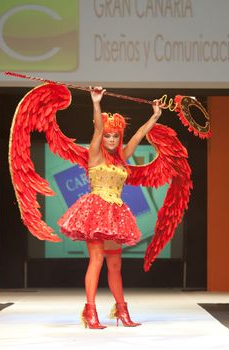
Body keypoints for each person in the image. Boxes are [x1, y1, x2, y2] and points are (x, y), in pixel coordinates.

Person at [57, 87, 161, 329]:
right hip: (95, 211)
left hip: (114, 214)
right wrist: (96, 102)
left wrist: (154, 116)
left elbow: (138, 136)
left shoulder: (123, 157)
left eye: (115, 136)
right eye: (108, 136)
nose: (111, 139)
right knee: (96, 260)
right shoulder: (94, 154)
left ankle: (122, 311)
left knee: (115, 265)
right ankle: (90, 312)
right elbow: (97, 128)